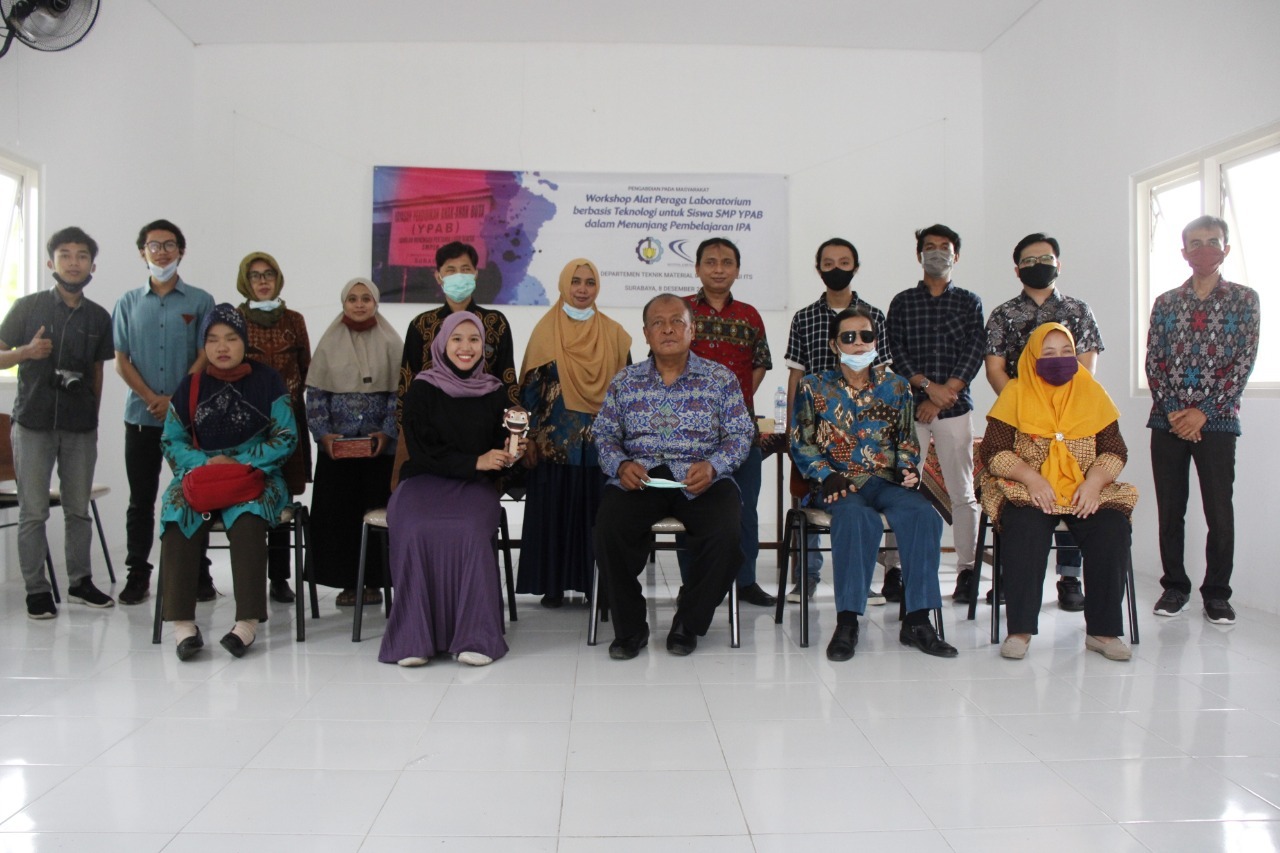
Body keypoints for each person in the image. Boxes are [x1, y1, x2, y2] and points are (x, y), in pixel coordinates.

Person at [791, 307, 957, 661]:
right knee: (857, 519)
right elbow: (800, 442)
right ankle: (847, 622)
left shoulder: (896, 387)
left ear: (875, 342)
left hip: (884, 482)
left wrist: (908, 468)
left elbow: (907, 441)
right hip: (838, 484)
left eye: (865, 336)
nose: (858, 343)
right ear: (835, 344)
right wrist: (825, 474)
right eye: (849, 337)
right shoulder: (813, 386)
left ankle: (917, 621)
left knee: (923, 515)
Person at [593, 293, 752, 660]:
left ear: (692, 330)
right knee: (608, 528)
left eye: (677, 321)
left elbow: (741, 434)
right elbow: (604, 435)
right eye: (658, 323)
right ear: (646, 333)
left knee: (727, 534)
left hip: (701, 476)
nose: (668, 329)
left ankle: (688, 623)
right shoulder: (625, 381)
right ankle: (630, 628)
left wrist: (714, 465)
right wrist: (620, 465)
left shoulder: (719, 379)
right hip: (642, 477)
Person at [979, 322, 1137, 661]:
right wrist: (1032, 479)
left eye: (1067, 352)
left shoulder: (1092, 392)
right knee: (1024, 526)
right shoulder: (1015, 393)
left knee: (1112, 528)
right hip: (1029, 489)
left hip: (1085, 489)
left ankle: (1103, 632)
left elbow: (1114, 450)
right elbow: (993, 451)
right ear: (1032, 358)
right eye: (1048, 353)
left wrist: (1093, 483)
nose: (1059, 359)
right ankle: (1020, 630)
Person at [380, 311, 522, 667]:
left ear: (483, 346)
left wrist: (512, 452)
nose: (466, 347)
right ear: (442, 344)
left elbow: (501, 447)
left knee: (471, 530)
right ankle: (413, 638)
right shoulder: (422, 388)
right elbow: (422, 450)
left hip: (474, 488)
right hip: (422, 481)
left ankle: (476, 636)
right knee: (415, 529)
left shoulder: (495, 392)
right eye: (457, 339)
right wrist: (474, 461)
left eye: (474, 339)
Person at [158, 305, 298, 661]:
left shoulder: (268, 380)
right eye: (213, 339)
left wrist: (240, 461)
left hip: (256, 473)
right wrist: (207, 463)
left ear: (244, 342)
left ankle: (246, 623)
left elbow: (286, 437)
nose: (222, 347)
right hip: (203, 473)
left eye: (231, 338)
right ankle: (183, 626)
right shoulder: (190, 385)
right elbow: (171, 440)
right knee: (176, 512)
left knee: (249, 517)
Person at [1147, 216, 1260, 625]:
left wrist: (1203, 412)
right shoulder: (1165, 303)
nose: (1204, 249)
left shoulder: (1245, 300)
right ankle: (1174, 587)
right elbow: (1154, 362)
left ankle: (1217, 594)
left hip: (1219, 422)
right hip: (1168, 421)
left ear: (1225, 248)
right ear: (1184, 252)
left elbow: (1243, 362)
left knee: (1219, 512)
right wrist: (1177, 412)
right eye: (1195, 243)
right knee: (1170, 510)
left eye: (1213, 241)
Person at [984, 233, 1104, 611]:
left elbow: (1086, 369)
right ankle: (1011, 575)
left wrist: (1064, 411)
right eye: (1029, 260)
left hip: (1072, 422)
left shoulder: (1079, 310)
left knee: (1071, 483)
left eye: (1046, 258)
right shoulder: (1003, 314)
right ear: (1017, 269)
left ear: (1058, 264)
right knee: (1018, 495)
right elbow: (995, 368)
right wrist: (1020, 409)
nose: (1038, 265)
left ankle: (1069, 577)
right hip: (1021, 423)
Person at [0, 226, 115, 618]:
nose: (73, 262)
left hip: (80, 426)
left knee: (78, 509)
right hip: (32, 423)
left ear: (92, 266)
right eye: (65, 254)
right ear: (51, 262)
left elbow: (97, 372)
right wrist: (25, 352)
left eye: (82, 256)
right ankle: (37, 590)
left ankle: (80, 583)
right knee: (33, 512)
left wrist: (93, 418)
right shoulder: (27, 307)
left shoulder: (99, 317)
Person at [783, 237, 896, 604]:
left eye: (844, 263)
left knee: (864, 500)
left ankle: (864, 580)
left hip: (863, 430)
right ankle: (807, 576)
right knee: (810, 495)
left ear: (855, 267)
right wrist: (794, 426)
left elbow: (883, 373)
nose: (836, 269)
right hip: (816, 427)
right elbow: (796, 374)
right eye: (828, 263)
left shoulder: (873, 316)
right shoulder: (804, 318)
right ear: (819, 269)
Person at [514, 258, 631, 608]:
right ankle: (552, 586)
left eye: (589, 282)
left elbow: (627, 392)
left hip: (601, 448)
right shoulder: (545, 331)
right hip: (552, 446)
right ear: (564, 284)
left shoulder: (614, 334)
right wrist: (527, 438)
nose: (582, 289)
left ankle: (596, 584)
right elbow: (529, 392)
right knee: (554, 515)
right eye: (576, 281)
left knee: (597, 516)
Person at [113, 220, 216, 606]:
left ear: (181, 251)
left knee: (196, 494)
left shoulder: (200, 301)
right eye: (153, 245)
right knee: (141, 499)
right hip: (141, 418)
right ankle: (138, 574)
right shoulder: (127, 302)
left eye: (169, 245)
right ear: (143, 252)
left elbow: (206, 354)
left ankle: (200, 572)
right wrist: (150, 397)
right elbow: (121, 360)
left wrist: (175, 398)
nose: (161, 252)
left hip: (187, 417)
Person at [673, 238, 776, 608]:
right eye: (711, 262)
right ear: (697, 268)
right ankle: (693, 582)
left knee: (744, 508)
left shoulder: (749, 316)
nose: (719, 269)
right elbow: (664, 361)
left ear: (737, 269)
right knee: (690, 504)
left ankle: (745, 582)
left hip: (740, 430)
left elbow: (760, 364)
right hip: (688, 433)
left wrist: (732, 401)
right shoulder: (681, 311)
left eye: (727, 262)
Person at [887, 224, 985, 602]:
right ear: (919, 255)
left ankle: (967, 571)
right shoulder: (902, 302)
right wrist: (929, 388)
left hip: (955, 410)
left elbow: (974, 352)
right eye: (930, 247)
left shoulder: (970, 302)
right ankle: (895, 569)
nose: (937, 252)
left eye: (945, 247)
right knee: (902, 488)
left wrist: (943, 395)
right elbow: (896, 352)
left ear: (956, 255)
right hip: (910, 410)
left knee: (963, 492)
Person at [305, 278, 402, 607]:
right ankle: (346, 584)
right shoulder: (328, 343)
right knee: (339, 517)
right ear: (343, 303)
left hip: (379, 451)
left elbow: (398, 395)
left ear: (375, 302)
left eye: (365, 298)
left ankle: (376, 582)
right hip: (337, 452)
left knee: (377, 512)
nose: (359, 304)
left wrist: (386, 432)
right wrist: (324, 436)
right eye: (352, 299)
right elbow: (316, 394)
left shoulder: (392, 342)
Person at [235, 251, 311, 604]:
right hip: (246, 425)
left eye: (269, 274)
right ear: (245, 281)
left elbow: (306, 367)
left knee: (283, 499)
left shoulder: (294, 320)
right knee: (246, 496)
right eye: (255, 275)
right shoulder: (235, 319)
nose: (263, 281)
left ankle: (279, 578)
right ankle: (247, 578)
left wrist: (286, 401)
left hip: (287, 422)